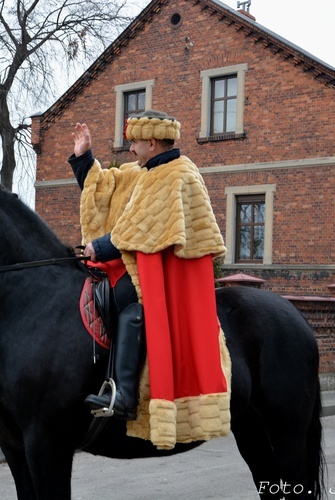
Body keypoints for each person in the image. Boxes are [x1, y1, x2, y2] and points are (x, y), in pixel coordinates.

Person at [69, 110, 230, 449]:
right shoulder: (144, 172)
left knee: (128, 299)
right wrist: (85, 157)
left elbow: (143, 228)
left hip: (171, 272)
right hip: (144, 261)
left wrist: (97, 246)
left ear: (152, 143)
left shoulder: (178, 174)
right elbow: (107, 187)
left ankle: (124, 395)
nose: (131, 150)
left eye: (135, 143)